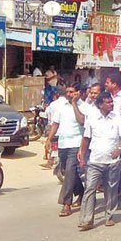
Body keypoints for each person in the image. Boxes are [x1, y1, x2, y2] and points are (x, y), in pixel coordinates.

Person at [76, 91, 121, 230]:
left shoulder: (117, 118)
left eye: (112, 102)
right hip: (95, 161)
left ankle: (109, 216)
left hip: (112, 162)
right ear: (100, 105)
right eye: (108, 102)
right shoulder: (92, 119)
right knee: (89, 189)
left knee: (111, 189)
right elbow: (86, 138)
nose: (111, 104)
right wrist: (82, 155)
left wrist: (119, 148)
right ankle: (87, 220)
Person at [44, 85, 84, 216]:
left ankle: (66, 203)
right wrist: (49, 139)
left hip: (76, 143)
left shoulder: (84, 106)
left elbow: (82, 120)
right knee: (67, 172)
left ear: (78, 93)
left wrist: (74, 104)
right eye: (67, 92)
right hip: (63, 143)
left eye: (72, 92)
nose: (69, 94)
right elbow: (55, 124)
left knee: (70, 171)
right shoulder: (61, 106)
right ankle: (81, 191)